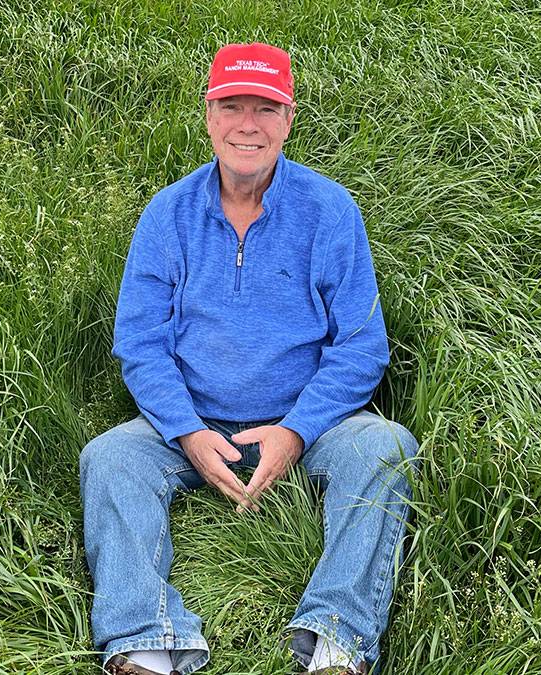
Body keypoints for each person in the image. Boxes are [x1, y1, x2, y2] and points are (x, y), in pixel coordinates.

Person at [80, 42, 418, 675]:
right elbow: (141, 343)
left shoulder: (331, 212)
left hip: (308, 423)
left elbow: (362, 347)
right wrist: (185, 431)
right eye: (232, 105)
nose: (247, 124)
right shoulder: (167, 215)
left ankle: (336, 641)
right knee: (110, 457)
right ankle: (146, 642)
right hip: (190, 422)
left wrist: (295, 432)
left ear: (288, 120)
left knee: (387, 446)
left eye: (265, 108)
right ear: (208, 115)